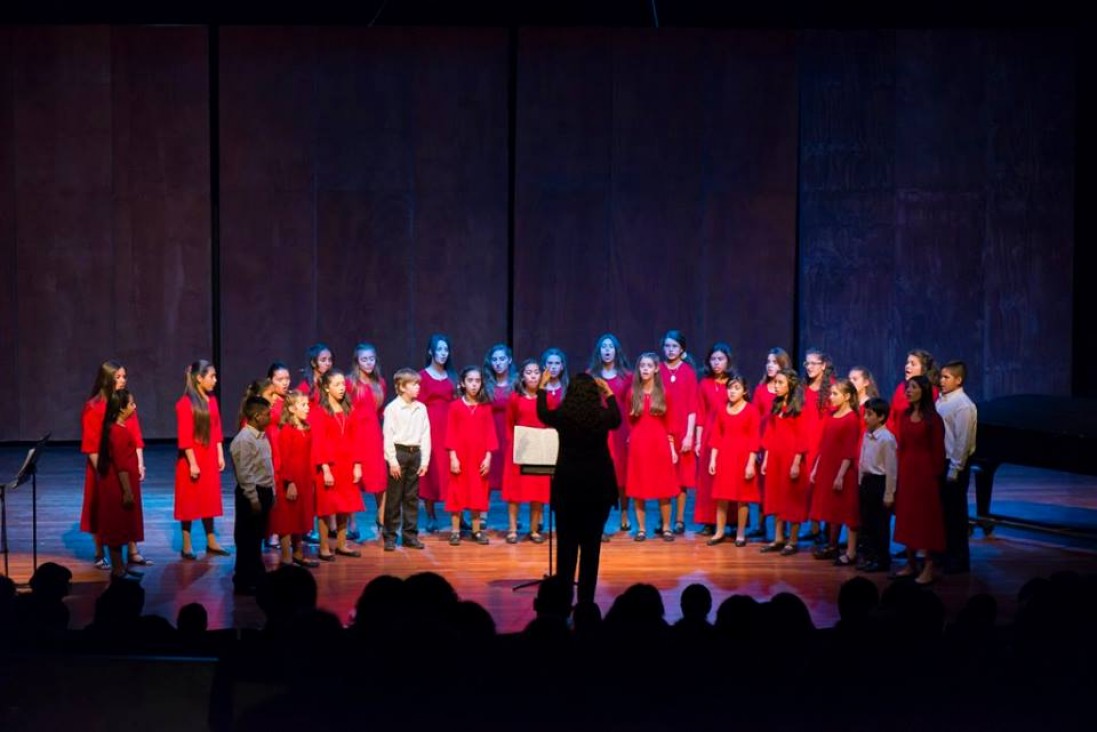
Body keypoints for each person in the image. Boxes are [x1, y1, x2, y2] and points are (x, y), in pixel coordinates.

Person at [535, 371, 621, 605]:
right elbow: (617, 418)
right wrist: (609, 393)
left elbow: (542, 413)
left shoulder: (563, 415)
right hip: (597, 490)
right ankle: (586, 604)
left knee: (566, 549)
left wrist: (542, 387)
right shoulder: (602, 416)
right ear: (595, 393)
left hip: (568, 490)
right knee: (591, 550)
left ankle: (563, 602)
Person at [81, 360, 149, 571]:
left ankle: (132, 550)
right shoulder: (94, 406)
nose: (122, 380)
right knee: (102, 509)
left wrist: (140, 463)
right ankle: (100, 552)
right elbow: (92, 446)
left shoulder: (125, 402)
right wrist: (102, 472)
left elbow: (136, 435)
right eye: (117, 377)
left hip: (125, 465)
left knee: (128, 507)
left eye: (124, 376)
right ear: (106, 378)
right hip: (104, 468)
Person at [894, 375, 946, 585]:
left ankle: (929, 566)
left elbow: (938, 451)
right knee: (907, 516)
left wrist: (933, 475)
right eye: (907, 387)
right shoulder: (905, 415)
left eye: (913, 387)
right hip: (907, 470)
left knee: (926, 519)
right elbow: (901, 445)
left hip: (925, 473)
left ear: (923, 391)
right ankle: (910, 563)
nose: (908, 391)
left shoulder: (933, 419)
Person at [174, 360, 229, 560]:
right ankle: (187, 544)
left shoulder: (212, 400)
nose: (215, 380)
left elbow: (217, 429)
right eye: (211, 376)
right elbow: (185, 436)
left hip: (209, 456)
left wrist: (220, 453)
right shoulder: (185, 403)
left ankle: (211, 540)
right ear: (199, 378)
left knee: (209, 498)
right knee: (189, 501)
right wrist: (193, 463)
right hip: (192, 458)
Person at [310, 369, 364, 561]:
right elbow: (318, 441)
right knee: (326, 507)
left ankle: (342, 544)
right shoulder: (319, 411)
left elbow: (357, 439)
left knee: (345, 504)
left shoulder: (350, 409)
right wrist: (325, 469)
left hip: (347, 463)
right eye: (337, 385)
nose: (342, 388)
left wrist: (357, 464)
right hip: (329, 465)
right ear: (326, 387)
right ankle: (324, 546)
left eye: (343, 384)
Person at [625, 353, 679, 541]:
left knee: (663, 488)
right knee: (638, 487)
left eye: (649, 365)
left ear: (656, 369)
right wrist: (632, 438)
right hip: (639, 445)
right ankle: (641, 529)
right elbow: (629, 421)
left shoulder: (664, 393)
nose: (645, 369)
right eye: (642, 366)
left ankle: (666, 527)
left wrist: (672, 448)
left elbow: (670, 423)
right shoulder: (632, 393)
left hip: (660, 443)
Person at [809, 379, 861, 565]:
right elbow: (825, 445)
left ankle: (851, 551)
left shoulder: (852, 419)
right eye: (830, 393)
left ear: (847, 397)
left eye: (835, 394)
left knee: (846, 509)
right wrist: (816, 467)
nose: (830, 398)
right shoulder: (831, 416)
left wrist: (840, 475)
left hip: (843, 471)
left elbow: (849, 450)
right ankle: (832, 546)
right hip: (828, 467)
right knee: (832, 509)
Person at [94, 389, 144, 581]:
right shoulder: (118, 432)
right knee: (117, 528)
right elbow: (121, 465)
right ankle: (117, 569)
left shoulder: (116, 428)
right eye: (131, 404)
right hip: (118, 486)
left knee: (122, 526)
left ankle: (120, 566)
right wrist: (127, 491)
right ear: (122, 408)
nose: (135, 407)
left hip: (118, 484)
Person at [445, 367, 498, 545]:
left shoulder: (485, 407)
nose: (474, 384)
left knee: (478, 491)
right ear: (462, 383)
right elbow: (450, 432)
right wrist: (453, 457)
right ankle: (455, 530)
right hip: (460, 456)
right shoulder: (455, 406)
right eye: (470, 381)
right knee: (457, 490)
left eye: (477, 381)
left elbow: (491, 433)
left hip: (479, 457)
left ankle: (476, 530)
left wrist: (488, 457)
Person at [707, 372, 760, 546]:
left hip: (743, 457)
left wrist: (751, 464)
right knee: (721, 496)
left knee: (742, 497)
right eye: (730, 388)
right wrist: (713, 459)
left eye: (736, 388)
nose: (732, 391)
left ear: (744, 391)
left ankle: (740, 533)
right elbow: (716, 436)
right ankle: (719, 531)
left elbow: (754, 439)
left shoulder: (751, 411)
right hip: (725, 456)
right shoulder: (722, 410)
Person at [230, 396, 275, 594]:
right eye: (267, 414)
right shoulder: (244, 440)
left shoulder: (262, 436)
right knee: (246, 538)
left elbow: (266, 467)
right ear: (256, 416)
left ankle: (256, 575)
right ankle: (243, 580)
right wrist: (254, 498)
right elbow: (245, 472)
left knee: (256, 538)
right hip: (251, 494)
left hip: (263, 491)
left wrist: (271, 492)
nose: (270, 417)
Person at [382, 368, 431, 551]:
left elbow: (426, 435)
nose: (418, 387)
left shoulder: (421, 408)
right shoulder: (392, 408)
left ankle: (410, 535)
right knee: (394, 497)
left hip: (415, 453)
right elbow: (388, 436)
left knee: (412, 498)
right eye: (414, 384)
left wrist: (425, 460)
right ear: (402, 387)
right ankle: (390, 536)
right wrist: (392, 461)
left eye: (418, 384)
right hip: (399, 453)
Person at [760, 368, 807, 555]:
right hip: (776, 458)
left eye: (780, 383)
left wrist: (796, 463)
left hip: (791, 458)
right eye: (776, 382)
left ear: (790, 385)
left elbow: (802, 437)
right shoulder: (777, 405)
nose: (776, 386)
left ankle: (793, 540)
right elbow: (770, 435)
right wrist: (766, 459)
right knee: (777, 496)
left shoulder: (798, 407)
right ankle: (778, 537)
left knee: (792, 499)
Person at [936, 360, 977, 574]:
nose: (941, 381)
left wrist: (955, 468)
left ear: (958, 380)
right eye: (941, 377)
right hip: (940, 462)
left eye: (946, 377)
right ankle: (943, 554)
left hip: (953, 465)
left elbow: (962, 441)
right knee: (942, 513)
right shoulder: (941, 401)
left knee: (955, 514)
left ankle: (958, 559)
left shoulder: (963, 405)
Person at [589, 333, 632, 534]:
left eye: (610, 347)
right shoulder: (591, 375)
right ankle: (599, 517)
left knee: (622, 473)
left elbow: (632, 405)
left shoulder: (627, 375)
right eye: (603, 347)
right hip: (598, 430)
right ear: (599, 351)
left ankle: (624, 512)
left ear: (616, 351)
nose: (607, 350)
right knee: (599, 474)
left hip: (621, 429)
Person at [503, 359, 550, 543]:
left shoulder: (547, 398)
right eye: (529, 372)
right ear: (522, 376)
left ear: (541, 375)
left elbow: (551, 422)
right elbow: (509, 424)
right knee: (515, 491)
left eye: (536, 372)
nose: (532, 375)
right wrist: (513, 447)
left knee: (537, 491)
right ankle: (513, 529)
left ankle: (534, 530)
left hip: (540, 450)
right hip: (519, 450)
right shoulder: (515, 398)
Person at [347, 343, 389, 539]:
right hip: (354, 435)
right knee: (352, 481)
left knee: (379, 480)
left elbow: (379, 412)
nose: (368, 362)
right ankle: (352, 524)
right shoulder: (350, 383)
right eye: (364, 359)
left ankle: (382, 521)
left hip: (373, 436)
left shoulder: (380, 383)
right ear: (357, 361)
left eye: (371, 358)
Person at [272, 391, 318, 568]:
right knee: (287, 518)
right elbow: (284, 459)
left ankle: (298, 553)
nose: (307, 408)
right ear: (291, 409)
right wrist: (289, 482)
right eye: (303, 405)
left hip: (304, 478)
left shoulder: (306, 429)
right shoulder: (286, 431)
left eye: (307, 404)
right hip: (290, 480)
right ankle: (286, 556)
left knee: (299, 517)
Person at [750, 348, 792, 539]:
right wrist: (757, 445)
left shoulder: (788, 392)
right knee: (762, 485)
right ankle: (760, 524)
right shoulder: (760, 390)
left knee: (781, 486)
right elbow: (756, 419)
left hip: (782, 444)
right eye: (768, 361)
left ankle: (783, 527)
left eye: (775, 362)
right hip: (763, 442)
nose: (770, 365)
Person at [659, 330, 697, 534]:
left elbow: (693, 406)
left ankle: (680, 519)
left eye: (674, 346)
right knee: (663, 476)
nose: (670, 350)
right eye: (667, 346)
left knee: (683, 478)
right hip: (662, 429)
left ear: (682, 348)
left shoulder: (688, 372)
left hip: (683, 430)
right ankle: (663, 520)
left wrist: (690, 435)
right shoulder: (658, 370)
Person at [419, 334, 457, 533]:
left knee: (453, 471)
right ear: (431, 351)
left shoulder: (452, 376)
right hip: (431, 428)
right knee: (432, 470)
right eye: (439, 349)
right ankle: (430, 515)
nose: (443, 353)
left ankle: (457, 515)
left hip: (450, 427)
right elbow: (419, 406)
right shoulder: (423, 376)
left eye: (446, 350)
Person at [695, 342, 733, 536]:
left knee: (730, 476)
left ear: (728, 361)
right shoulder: (704, 383)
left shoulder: (734, 383)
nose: (717, 363)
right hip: (710, 434)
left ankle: (732, 521)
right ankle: (709, 521)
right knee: (709, 478)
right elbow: (700, 414)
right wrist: (698, 440)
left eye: (721, 359)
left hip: (730, 433)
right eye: (713, 359)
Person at [857, 397, 897, 572]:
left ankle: (882, 559)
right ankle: (868, 557)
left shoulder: (886, 439)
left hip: (879, 483)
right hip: (867, 481)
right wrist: (860, 481)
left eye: (870, 414)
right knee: (866, 523)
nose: (865, 417)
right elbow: (863, 459)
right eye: (865, 414)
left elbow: (891, 469)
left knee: (880, 524)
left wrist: (889, 494)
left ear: (881, 417)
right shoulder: (867, 434)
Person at [483, 344, 516, 517]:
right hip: (491, 432)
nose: (498, 363)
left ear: (509, 360)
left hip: (511, 433)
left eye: (502, 359)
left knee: (511, 474)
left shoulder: (517, 383)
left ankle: (513, 518)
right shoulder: (485, 384)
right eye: (495, 359)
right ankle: (482, 516)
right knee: (487, 473)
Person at [887, 349, 938, 434]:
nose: (908, 366)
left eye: (913, 364)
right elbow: (891, 416)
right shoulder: (901, 387)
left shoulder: (931, 391)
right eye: (907, 363)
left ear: (924, 369)